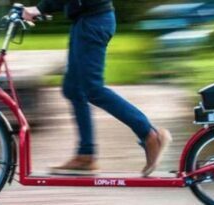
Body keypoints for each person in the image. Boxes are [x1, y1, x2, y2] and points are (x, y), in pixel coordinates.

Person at [22, 0, 172, 177]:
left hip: (92, 21)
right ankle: (85, 155)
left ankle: (149, 135)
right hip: (86, 21)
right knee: (73, 88)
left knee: (92, 89)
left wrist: (40, 8)